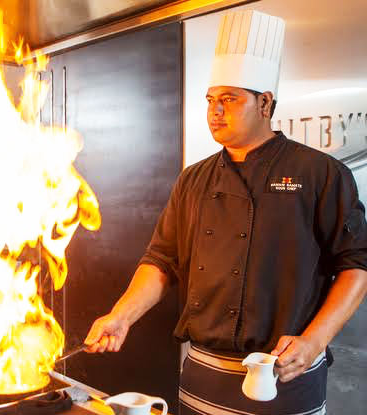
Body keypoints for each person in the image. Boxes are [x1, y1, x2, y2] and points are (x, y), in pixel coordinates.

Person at [84, 10, 367, 415]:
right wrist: (121, 316)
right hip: (202, 372)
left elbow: (356, 264)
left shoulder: (319, 173)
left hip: (283, 377)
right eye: (211, 101)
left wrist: (314, 341)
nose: (215, 111)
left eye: (230, 100)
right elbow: (162, 261)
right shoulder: (193, 180)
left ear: (265, 103)